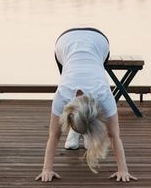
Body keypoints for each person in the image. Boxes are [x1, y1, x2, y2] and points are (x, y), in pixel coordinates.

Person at [36, 27, 137, 183]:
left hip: (99, 41)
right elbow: (54, 134)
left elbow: (114, 134)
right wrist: (47, 169)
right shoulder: (62, 95)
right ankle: (77, 127)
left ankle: (81, 125)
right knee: (67, 74)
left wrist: (123, 170)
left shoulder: (104, 94)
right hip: (64, 43)